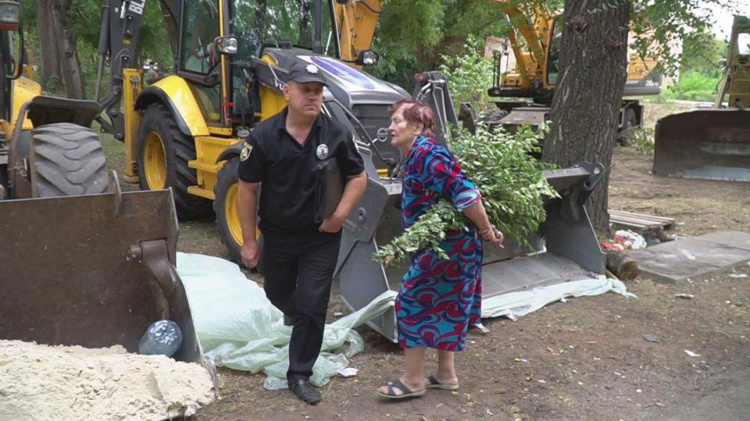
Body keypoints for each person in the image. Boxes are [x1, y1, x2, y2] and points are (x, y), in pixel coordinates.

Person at [237, 61, 367, 405]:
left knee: (312, 303)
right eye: (306, 89)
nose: (313, 96)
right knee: (277, 292)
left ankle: (299, 374)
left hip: (320, 236)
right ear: (287, 91)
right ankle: (297, 314)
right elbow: (247, 189)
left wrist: (339, 217)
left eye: (318, 90)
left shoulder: (336, 133)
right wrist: (250, 242)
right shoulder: (263, 137)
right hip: (277, 235)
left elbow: (358, 177)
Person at [376, 100, 504, 400]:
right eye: (391, 121)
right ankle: (446, 375)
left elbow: (467, 194)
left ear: (418, 127)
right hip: (446, 246)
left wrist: (487, 229)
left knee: (411, 302)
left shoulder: (428, 155)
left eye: (397, 121)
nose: (391, 127)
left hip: (449, 247)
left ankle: (413, 379)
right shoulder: (418, 155)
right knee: (447, 304)